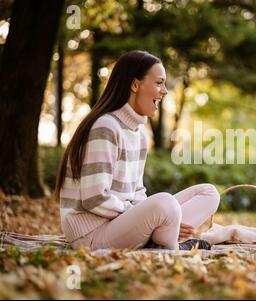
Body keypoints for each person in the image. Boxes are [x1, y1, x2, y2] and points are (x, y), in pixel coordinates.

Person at [54, 50, 220, 251]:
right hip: (92, 234)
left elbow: (137, 192)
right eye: (159, 83)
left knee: (208, 193)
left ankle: (163, 236)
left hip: (122, 224)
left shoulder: (138, 133)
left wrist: (147, 217)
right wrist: (144, 215)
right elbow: (94, 198)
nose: (164, 91)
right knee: (165, 204)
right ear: (135, 85)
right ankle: (172, 246)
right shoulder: (106, 127)